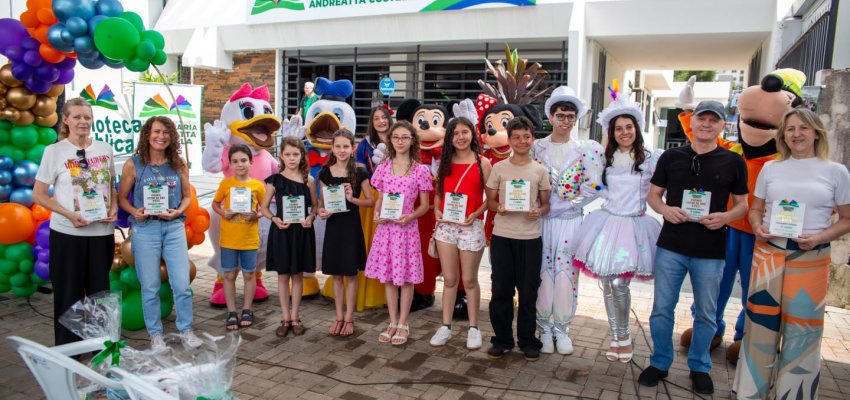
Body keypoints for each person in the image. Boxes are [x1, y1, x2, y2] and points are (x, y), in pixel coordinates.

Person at [733, 108, 850, 399]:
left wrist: (820, 237)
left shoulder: (836, 171)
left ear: (816, 133)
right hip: (768, 252)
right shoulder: (772, 168)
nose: (796, 134)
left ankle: (794, 393)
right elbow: (756, 209)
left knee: (803, 332)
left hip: (811, 256)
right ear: (783, 135)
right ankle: (749, 392)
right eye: (790, 129)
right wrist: (758, 226)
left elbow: (847, 219)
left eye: (803, 128)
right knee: (759, 326)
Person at [638, 101, 748, 395]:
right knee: (662, 309)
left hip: (711, 250)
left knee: (706, 313)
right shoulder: (671, 157)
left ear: (722, 126)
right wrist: (665, 210)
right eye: (702, 119)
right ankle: (660, 362)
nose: (707, 124)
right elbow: (654, 196)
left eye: (714, 120)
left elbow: (743, 205)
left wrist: (725, 217)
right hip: (671, 246)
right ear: (692, 122)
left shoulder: (733, 161)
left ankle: (700, 367)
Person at [570, 91, 662, 363]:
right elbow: (595, 188)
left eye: (628, 127)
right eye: (618, 129)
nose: (624, 133)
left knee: (621, 283)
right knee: (608, 284)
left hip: (635, 228)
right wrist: (573, 200)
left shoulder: (650, 159)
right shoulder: (605, 160)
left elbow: (661, 192)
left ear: (637, 129)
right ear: (612, 132)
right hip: (607, 224)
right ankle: (617, 337)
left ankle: (624, 335)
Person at [33, 98, 117, 346]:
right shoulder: (54, 151)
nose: (83, 121)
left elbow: (110, 186)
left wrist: (112, 207)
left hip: (101, 233)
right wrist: (70, 215)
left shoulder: (104, 149)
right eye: (77, 116)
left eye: (87, 117)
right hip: (68, 234)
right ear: (66, 119)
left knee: (99, 295)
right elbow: (38, 194)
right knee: (68, 294)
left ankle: (100, 345)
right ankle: (69, 349)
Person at [532, 86, 604, 355]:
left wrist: (565, 206)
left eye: (570, 116)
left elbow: (595, 186)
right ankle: (543, 327)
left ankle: (562, 328)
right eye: (560, 115)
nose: (565, 121)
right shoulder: (536, 147)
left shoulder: (587, 149)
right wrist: (540, 206)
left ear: (577, 119)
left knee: (565, 273)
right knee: (541, 271)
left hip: (571, 220)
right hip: (541, 221)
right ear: (550, 117)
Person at [117, 116, 200, 350]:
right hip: (146, 229)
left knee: (182, 284)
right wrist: (135, 211)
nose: (161, 136)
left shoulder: (178, 163)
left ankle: (186, 330)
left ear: (172, 137)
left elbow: (186, 196)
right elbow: (122, 198)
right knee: (150, 285)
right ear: (147, 135)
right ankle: (155, 334)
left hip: (174, 228)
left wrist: (178, 212)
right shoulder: (134, 164)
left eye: (166, 132)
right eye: (156, 132)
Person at [485, 116, 551, 361]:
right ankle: (501, 339)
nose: (521, 141)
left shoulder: (539, 170)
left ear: (533, 139)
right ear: (510, 140)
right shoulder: (499, 168)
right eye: (516, 137)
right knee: (501, 289)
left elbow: (545, 205)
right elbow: (490, 201)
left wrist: (538, 211)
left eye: (526, 136)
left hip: (531, 238)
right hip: (503, 236)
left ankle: (527, 340)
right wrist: (498, 208)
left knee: (528, 291)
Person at [365, 121, 432, 346]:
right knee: (389, 277)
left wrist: (410, 217)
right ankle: (392, 321)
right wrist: (376, 214)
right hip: (386, 229)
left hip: (406, 229)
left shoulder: (421, 170)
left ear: (412, 140)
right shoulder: (384, 167)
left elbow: (424, 205)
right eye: (396, 137)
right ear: (390, 140)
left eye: (405, 137)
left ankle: (404, 322)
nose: (400, 141)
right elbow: (380, 199)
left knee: (406, 277)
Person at [428, 117, 492, 350]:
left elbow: (491, 199)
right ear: (449, 138)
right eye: (455, 134)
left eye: (465, 132)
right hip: (447, 227)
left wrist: (476, 213)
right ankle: (445, 326)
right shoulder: (444, 162)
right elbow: (437, 194)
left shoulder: (482, 163)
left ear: (472, 135)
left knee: (469, 280)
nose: (461, 137)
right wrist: (436, 209)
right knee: (450, 279)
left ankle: (474, 328)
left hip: (471, 227)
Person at [317, 129, 374, 337]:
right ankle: (339, 317)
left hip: (351, 227)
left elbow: (371, 201)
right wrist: (321, 212)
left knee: (350, 275)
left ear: (352, 149)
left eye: (346, 146)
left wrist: (353, 200)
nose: (341, 150)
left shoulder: (359, 171)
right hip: (333, 227)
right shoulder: (325, 173)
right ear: (332, 148)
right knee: (337, 276)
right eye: (338, 146)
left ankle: (349, 318)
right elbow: (321, 203)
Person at [260, 136, 317, 338]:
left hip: (301, 232)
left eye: (296, 154)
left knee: (298, 275)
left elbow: (315, 206)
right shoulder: (274, 181)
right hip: (282, 231)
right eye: (287, 154)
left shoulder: (308, 180)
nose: (292, 158)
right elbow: (263, 208)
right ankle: (285, 317)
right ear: (281, 156)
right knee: (283, 276)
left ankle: (296, 317)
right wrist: (274, 219)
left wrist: (310, 217)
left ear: (302, 155)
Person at [211, 144, 266, 330]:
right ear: (230, 164)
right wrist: (223, 213)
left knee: (249, 274)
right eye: (235, 161)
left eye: (243, 160)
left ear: (251, 162)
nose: (240, 164)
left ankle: (247, 309)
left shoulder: (258, 185)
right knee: (229, 275)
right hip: (229, 240)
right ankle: (232, 311)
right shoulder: (226, 184)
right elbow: (215, 203)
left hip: (249, 239)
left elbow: (263, 210)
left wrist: (256, 215)